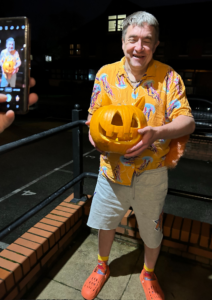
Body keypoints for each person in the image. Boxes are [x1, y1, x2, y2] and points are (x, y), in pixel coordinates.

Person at [81, 11, 195, 300]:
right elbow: (94, 116)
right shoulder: (105, 75)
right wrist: (94, 135)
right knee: (106, 224)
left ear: (155, 46)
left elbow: (188, 121)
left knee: (152, 230)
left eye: (147, 41)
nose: (139, 47)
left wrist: (157, 133)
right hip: (112, 172)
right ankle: (101, 267)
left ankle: (148, 272)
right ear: (122, 42)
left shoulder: (169, 77)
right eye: (133, 39)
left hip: (152, 174)